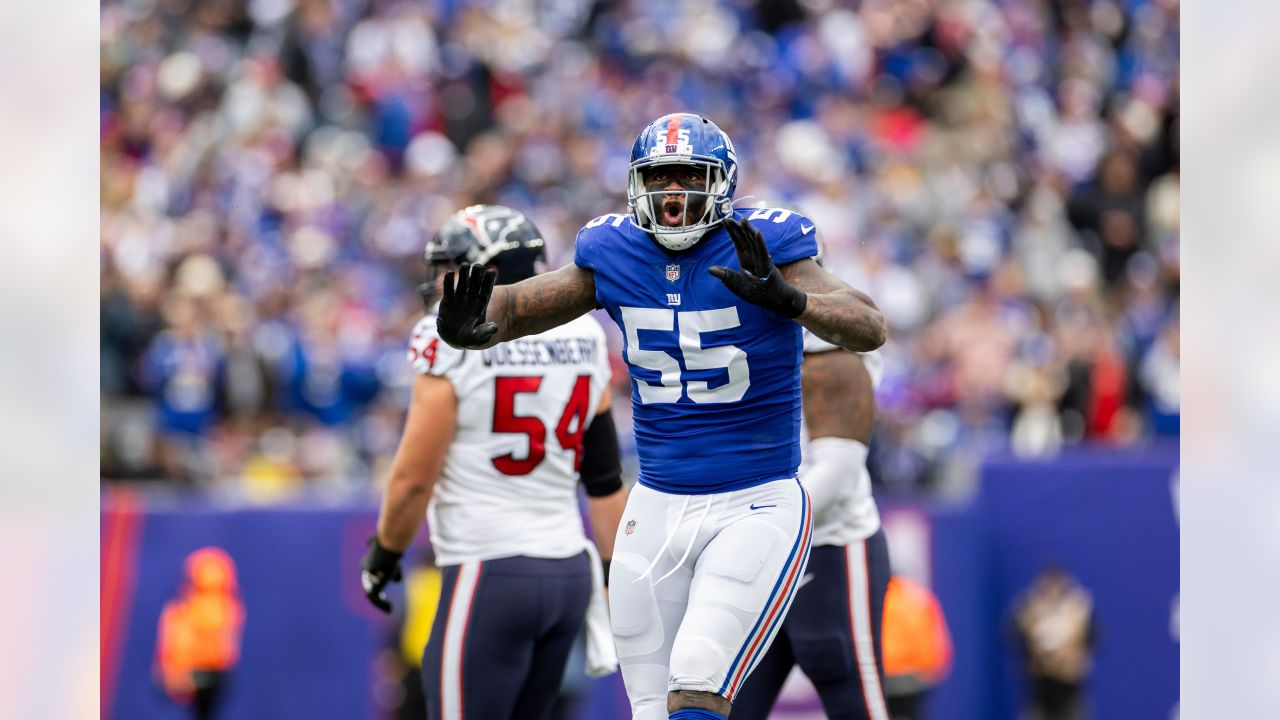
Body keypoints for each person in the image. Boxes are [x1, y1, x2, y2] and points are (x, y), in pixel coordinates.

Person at [433, 113, 887, 720]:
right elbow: (516, 309)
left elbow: (869, 324)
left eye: (687, 178)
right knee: (650, 708)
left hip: (755, 499)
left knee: (698, 679)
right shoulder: (613, 249)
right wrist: (469, 326)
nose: (673, 196)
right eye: (660, 179)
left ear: (720, 182)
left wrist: (791, 300)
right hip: (657, 503)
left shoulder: (766, 243)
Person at [359, 204, 629, 720]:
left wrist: (385, 553)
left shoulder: (445, 339)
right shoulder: (586, 336)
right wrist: (616, 571)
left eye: (452, 269)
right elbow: (604, 478)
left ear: (490, 274)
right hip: (568, 573)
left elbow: (416, 478)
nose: (441, 283)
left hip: (490, 568)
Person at [730, 307, 893, 720]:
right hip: (758, 554)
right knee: (723, 704)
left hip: (827, 546)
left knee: (855, 704)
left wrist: (759, 523)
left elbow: (839, 466)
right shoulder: (726, 322)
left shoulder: (829, 343)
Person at [154, 546, 244, 720]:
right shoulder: (179, 613)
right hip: (187, 676)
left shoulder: (226, 610)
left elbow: (225, 653)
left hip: (208, 678)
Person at [1010, 566, 1098, 720]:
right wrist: (1032, 642)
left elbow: (1096, 637)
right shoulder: (1030, 607)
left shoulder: (1078, 608)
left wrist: (1073, 643)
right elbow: (1011, 636)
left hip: (1070, 687)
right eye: (1049, 584)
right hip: (1039, 688)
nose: (1053, 589)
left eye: (1057, 583)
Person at [881, 575, 952, 720]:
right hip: (915, 678)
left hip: (885, 678)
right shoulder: (918, 597)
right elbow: (938, 638)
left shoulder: (876, 597)